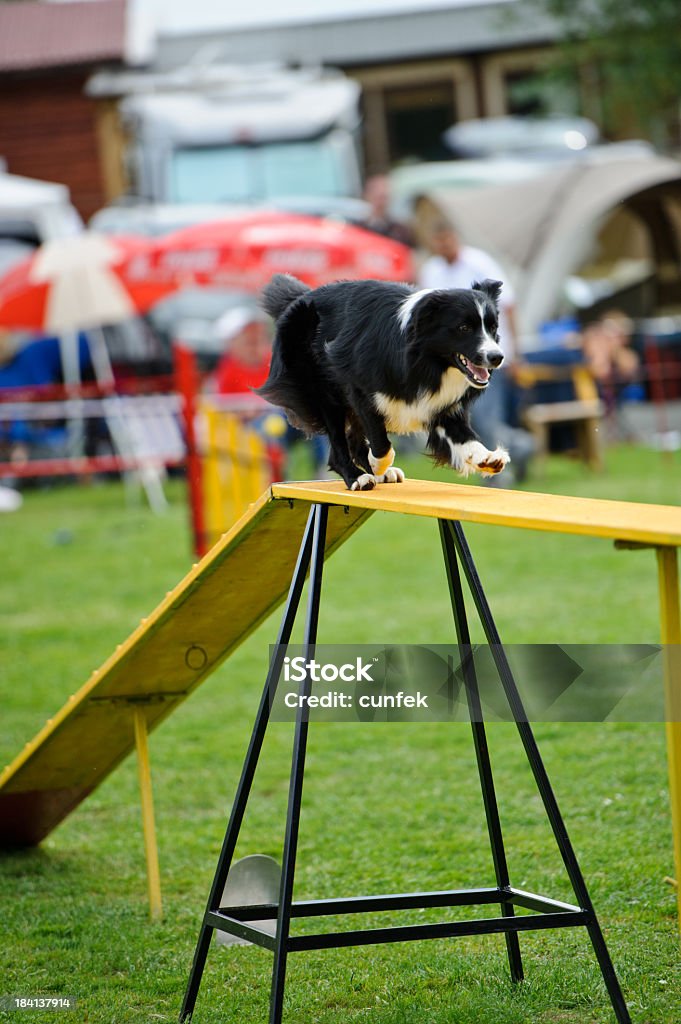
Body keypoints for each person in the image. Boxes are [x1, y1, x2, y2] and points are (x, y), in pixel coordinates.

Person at [418, 223, 534, 482]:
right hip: (459, 363)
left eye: (447, 239)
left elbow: (509, 306)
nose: (443, 245)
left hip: (491, 358)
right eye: (438, 241)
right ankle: (520, 446)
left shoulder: (480, 264)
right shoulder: (431, 270)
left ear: (456, 237)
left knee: (485, 419)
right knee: (475, 420)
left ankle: (498, 477)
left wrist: (516, 353)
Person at [362, 174, 414, 247]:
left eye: (384, 197)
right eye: (378, 197)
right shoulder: (360, 229)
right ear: (367, 196)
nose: (381, 203)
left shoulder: (399, 230)